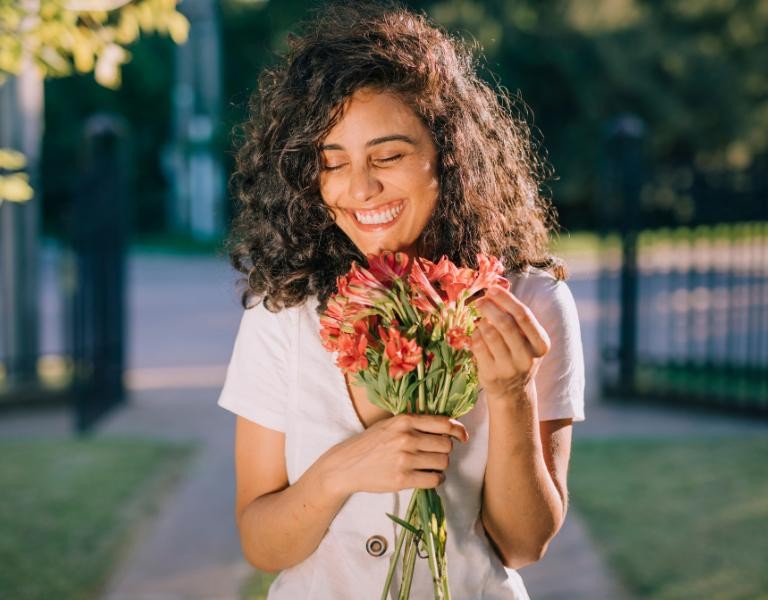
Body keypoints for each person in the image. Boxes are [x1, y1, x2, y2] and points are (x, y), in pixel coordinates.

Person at [217, 2, 585, 598]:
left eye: (387, 156)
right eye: (332, 164)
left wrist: (512, 394)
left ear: (450, 156)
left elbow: (523, 544)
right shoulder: (283, 311)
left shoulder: (532, 302)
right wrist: (343, 470)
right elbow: (262, 545)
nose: (359, 189)